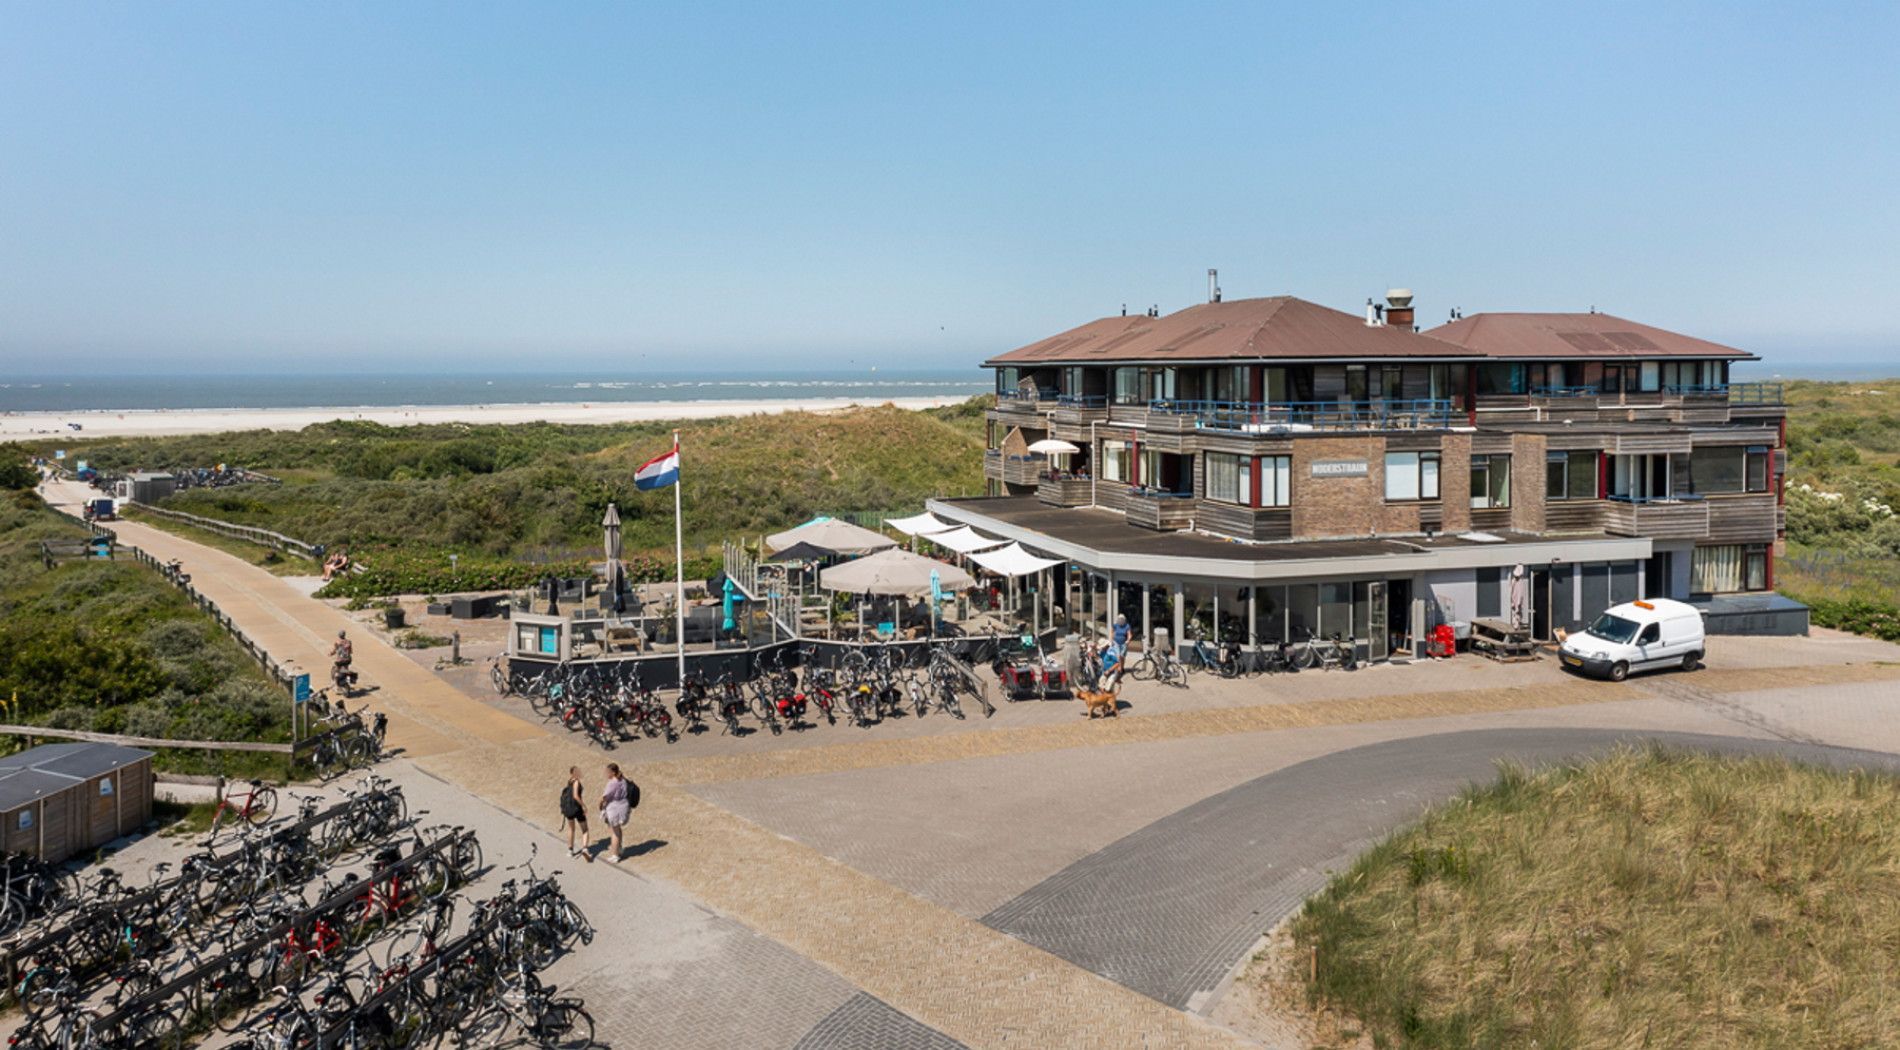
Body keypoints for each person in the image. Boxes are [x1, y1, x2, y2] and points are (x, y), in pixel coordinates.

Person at [599, 763, 634, 862]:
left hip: (614, 809)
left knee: (614, 832)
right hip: (623, 807)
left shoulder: (612, 783)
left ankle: (615, 855)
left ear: (613, 772)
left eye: (608, 772)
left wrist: (600, 805)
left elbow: (604, 797)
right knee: (618, 830)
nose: (606, 773)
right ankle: (619, 849)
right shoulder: (623, 780)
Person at [559, 767, 593, 862]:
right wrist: (584, 805)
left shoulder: (570, 781)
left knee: (571, 829)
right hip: (577, 809)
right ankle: (585, 848)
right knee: (585, 829)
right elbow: (575, 796)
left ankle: (570, 850)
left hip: (568, 809)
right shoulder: (577, 782)